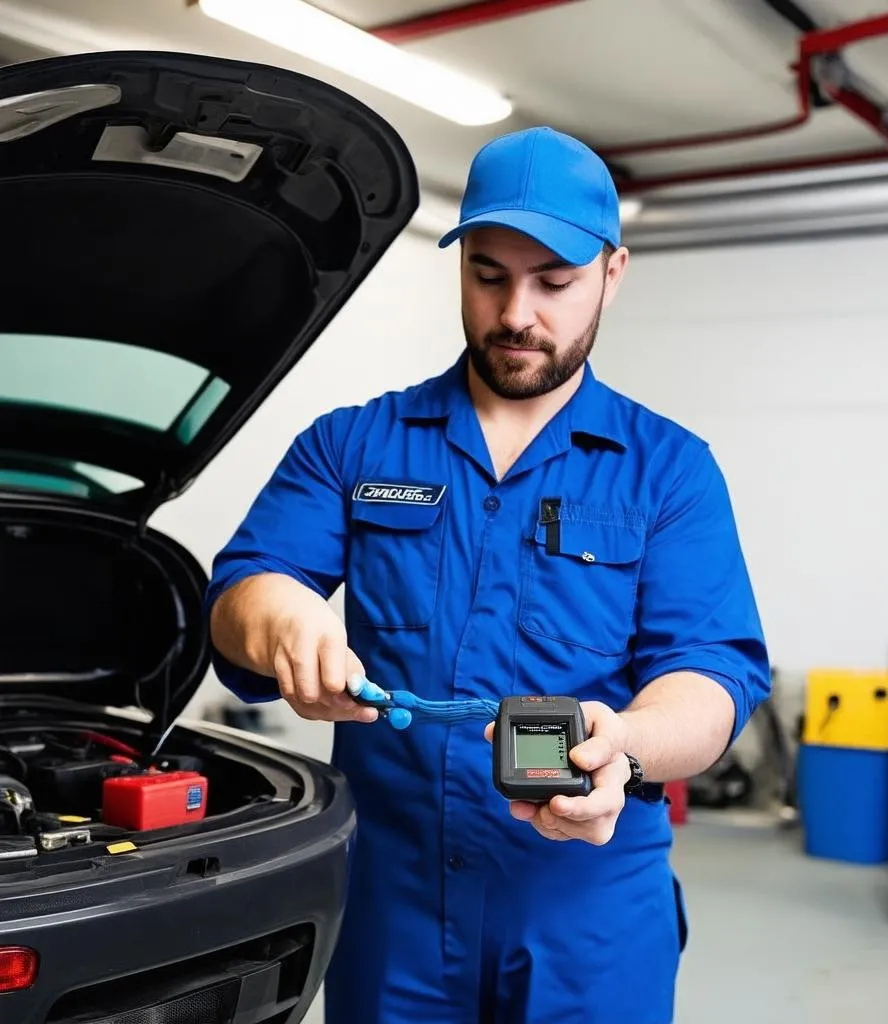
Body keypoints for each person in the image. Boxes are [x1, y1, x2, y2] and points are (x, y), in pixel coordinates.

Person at [206, 125, 770, 1024]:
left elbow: (713, 673)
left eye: (555, 282)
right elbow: (247, 587)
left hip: (586, 911)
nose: (518, 314)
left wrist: (624, 742)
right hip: (392, 906)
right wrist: (288, 624)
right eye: (489, 275)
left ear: (612, 275)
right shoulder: (352, 444)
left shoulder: (669, 471)